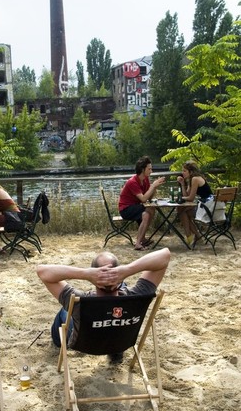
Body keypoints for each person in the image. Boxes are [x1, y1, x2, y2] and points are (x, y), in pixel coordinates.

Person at [37, 247, 170, 364]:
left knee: (64, 312)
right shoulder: (138, 295)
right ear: (120, 278)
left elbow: (42, 271)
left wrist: (86, 274)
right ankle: (115, 352)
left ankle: (57, 342)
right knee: (122, 295)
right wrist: (126, 270)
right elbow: (165, 255)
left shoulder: (80, 302)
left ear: (94, 280)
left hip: (86, 343)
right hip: (122, 341)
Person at [118, 156, 166, 251]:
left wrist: (155, 187)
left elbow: (149, 197)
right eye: (149, 169)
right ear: (142, 169)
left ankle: (142, 239)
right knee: (147, 213)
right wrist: (153, 186)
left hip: (135, 206)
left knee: (150, 210)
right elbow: (143, 199)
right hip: (126, 209)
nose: (151, 171)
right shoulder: (132, 182)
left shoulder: (145, 179)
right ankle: (138, 243)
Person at [176, 161, 213, 245]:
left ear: (191, 172)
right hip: (206, 205)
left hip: (208, 208)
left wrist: (179, 198)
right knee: (183, 210)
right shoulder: (192, 179)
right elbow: (187, 196)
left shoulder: (195, 179)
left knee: (181, 210)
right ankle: (196, 237)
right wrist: (182, 184)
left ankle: (189, 236)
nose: (182, 173)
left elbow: (190, 198)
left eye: (184, 171)